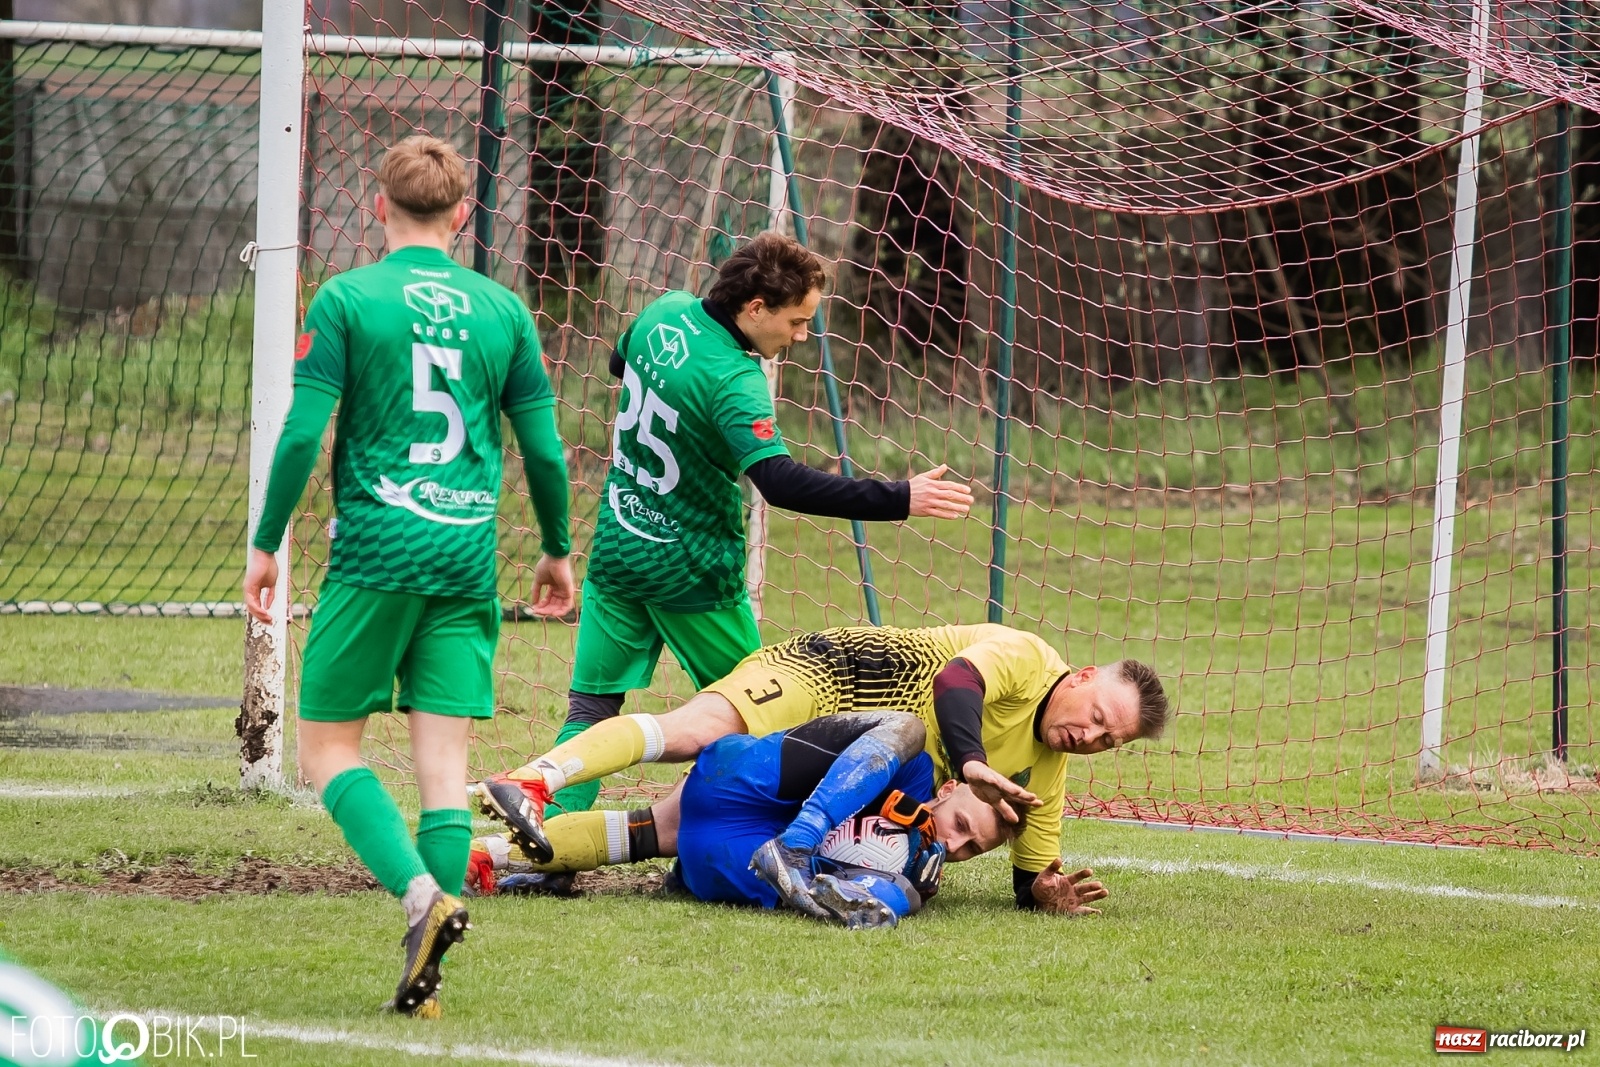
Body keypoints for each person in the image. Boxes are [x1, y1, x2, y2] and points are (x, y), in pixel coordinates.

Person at [243, 135, 575, 1017]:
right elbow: (542, 446)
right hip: (465, 558)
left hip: (377, 554)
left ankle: (422, 899)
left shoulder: (349, 298)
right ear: (463, 216)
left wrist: (267, 539)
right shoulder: (503, 309)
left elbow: (303, 434)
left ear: (377, 205)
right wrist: (556, 546)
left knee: (326, 748)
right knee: (444, 765)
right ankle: (427, 981)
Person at [527, 231, 973, 834]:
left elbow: (618, 362)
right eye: (796, 321)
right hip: (693, 571)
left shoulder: (664, 312)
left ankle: (547, 834)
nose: (801, 337)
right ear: (755, 307)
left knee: (592, 708)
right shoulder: (736, 381)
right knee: (760, 717)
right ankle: (743, 835)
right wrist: (901, 496)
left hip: (619, 547)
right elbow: (781, 482)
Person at [479, 623, 1169, 910]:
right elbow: (958, 681)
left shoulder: (1046, 777)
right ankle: (536, 778)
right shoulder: (1025, 654)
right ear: (1080, 677)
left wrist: (1045, 892)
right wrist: (973, 761)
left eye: (1110, 742)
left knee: (664, 826)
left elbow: (1031, 874)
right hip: (831, 672)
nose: (1091, 737)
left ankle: (473, 857)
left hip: (831, 766)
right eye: (1100, 717)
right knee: (695, 730)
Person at [468, 712, 1111, 925]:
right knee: (904, 730)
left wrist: (892, 897)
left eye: (971, 852)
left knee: (646, 833)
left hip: (714, 853)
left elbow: (886, 895)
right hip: (747, 783)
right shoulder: (919, 778)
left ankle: (480, 855)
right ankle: (798, 848)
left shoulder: (919, 869)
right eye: (964, 826)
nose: (956, 843)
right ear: (949, 792)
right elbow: (886, 736)